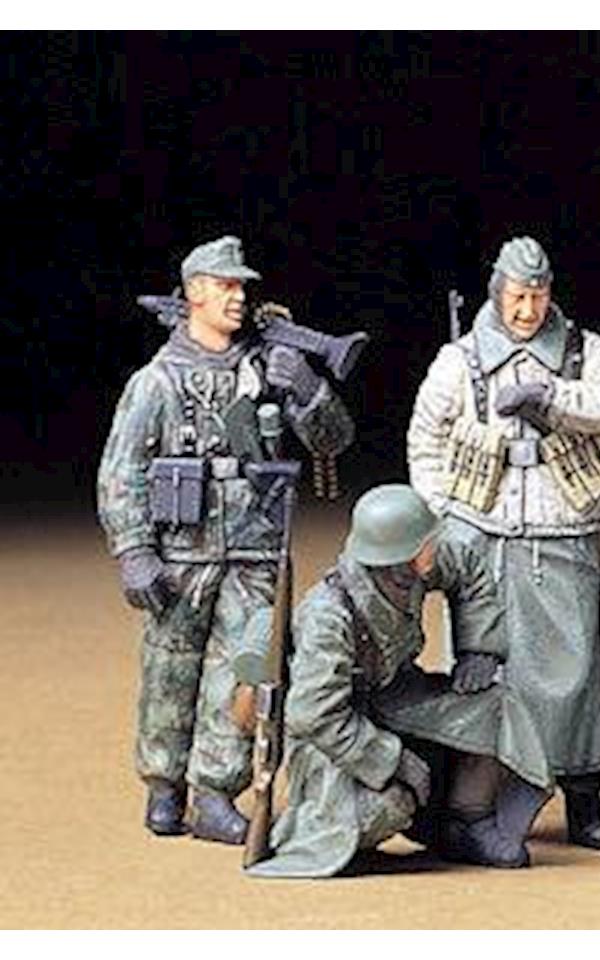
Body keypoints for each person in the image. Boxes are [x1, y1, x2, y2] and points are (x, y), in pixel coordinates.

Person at [96, 236, 355, 843]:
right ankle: (164, 786)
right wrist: (134, 551)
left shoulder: (266, 370)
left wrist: (308, 390)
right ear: (194, 293)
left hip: (254, 549)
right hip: (180, 551)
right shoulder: (157, 382)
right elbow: (122, 470)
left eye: (242, 286)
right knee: (169, 668)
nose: (238, 297)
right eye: (225, 285)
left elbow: (333, 440)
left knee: (243, 673)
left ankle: (217, 791)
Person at [407, 236, 600, 847]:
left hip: (562, 532)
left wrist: (554, 400)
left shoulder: (583, 352)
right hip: (484, 536)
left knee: (579, 673)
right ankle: (481, 800)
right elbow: (425, 440)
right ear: (497, 293)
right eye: (516, 297)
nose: (527, 310)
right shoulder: (460, 361)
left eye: (537, 297)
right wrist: (444, 517)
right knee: (488, 673)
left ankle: (585, 793)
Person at [238, 484, 553, 877]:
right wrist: (391, 759)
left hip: (396, 696)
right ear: (404, 554)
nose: (436, 547)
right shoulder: (328, 617)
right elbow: (313, 715)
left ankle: (467, 821)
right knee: (388, 806)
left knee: (496, 707)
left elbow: (468, 566)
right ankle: (380, 822)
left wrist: (478, 648)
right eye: (428, 543)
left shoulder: (415, 567)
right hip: (341, 729)